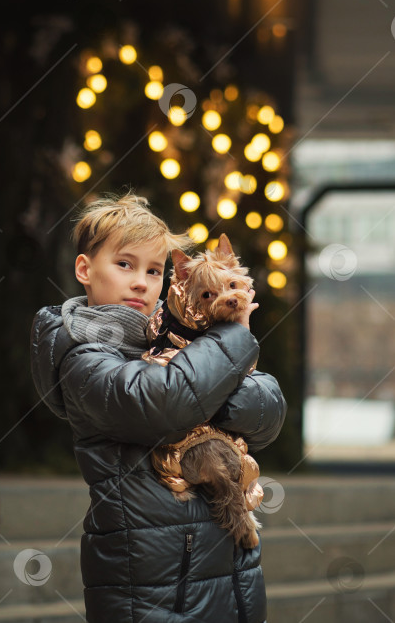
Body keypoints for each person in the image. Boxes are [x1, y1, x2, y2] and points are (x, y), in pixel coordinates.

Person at [30, 191, 287, 623]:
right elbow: (166, 403)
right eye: (125, 264)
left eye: (154, 270)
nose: (141, 282)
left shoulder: (174, 341)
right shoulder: (82, 357)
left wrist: (212, 379)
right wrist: (235, 334)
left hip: (228, 568)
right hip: (154, 585)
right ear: (84, 270)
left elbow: (269, 411)